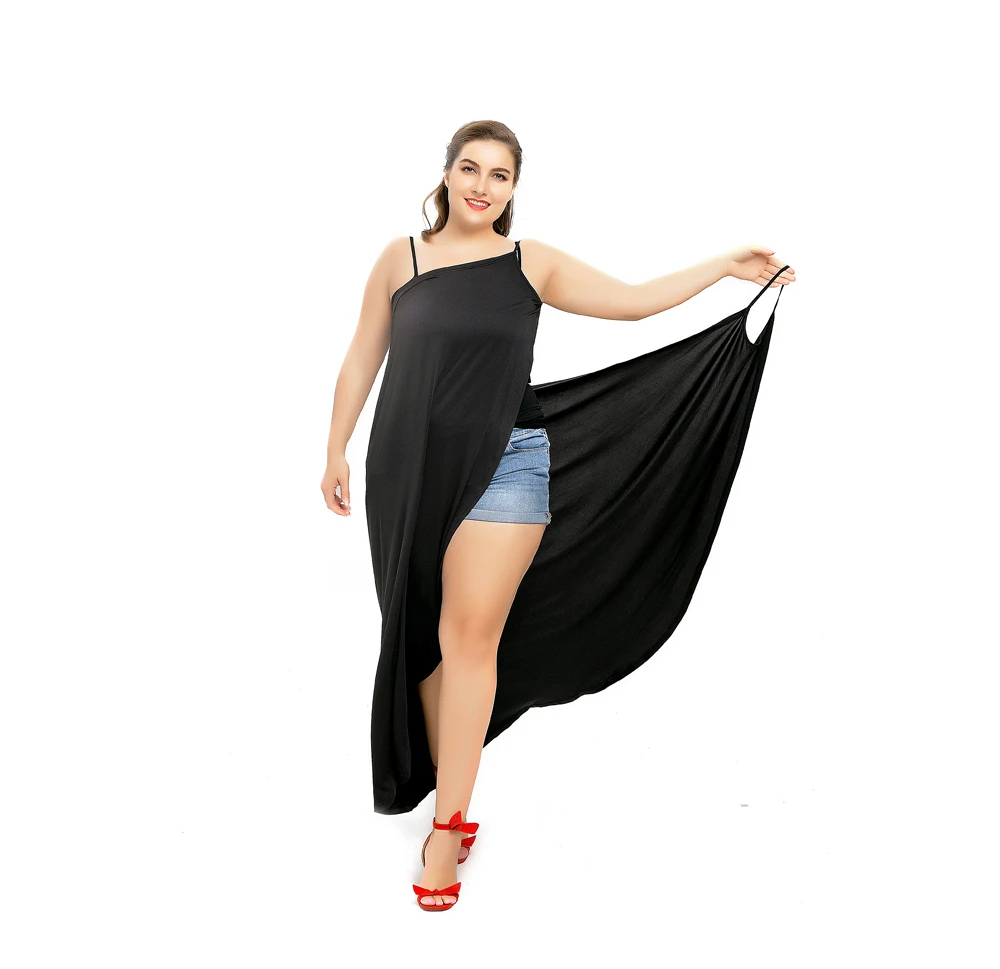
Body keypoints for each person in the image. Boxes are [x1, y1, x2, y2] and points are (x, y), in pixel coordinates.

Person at [321, 120, 795, 911]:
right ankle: (449, 769)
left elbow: (633, 304)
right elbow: (364, 353)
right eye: (470, 168)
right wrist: (335, 446)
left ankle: (447, 830)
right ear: (446, 175)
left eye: (499, 175)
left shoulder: (528, 263)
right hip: (407, 472)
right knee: (419, 652)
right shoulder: (400, 259)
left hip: (506, 465)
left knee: (469, 640)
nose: (482, 185)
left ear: (513, 189)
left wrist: (722, 268)